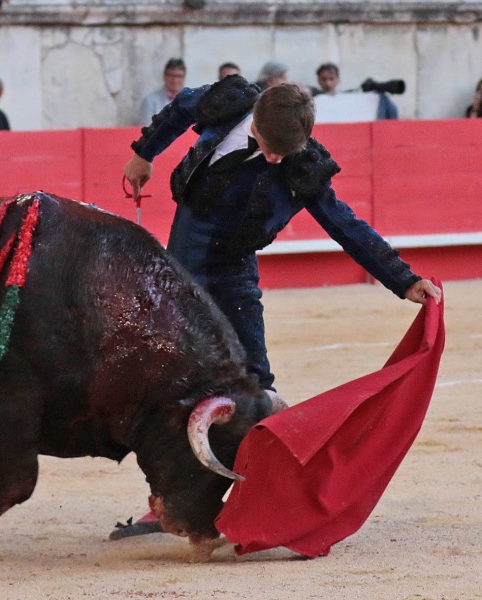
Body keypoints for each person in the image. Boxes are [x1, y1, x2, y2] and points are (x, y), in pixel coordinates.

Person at [112, 77, 441, 539]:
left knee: (255, 388)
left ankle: (250, 499)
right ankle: (166, 501)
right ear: (255, 122)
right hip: (181, 268)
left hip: (234, 273)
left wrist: (402, 279)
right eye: (269, 148)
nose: (274, 160)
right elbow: (181, 107)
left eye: (284, 154)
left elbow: (345, 226)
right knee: (169, 384)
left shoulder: (301, 164)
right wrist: (144, 153)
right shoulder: (229, 103)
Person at [314, 62, 399, 120]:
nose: (328, 83)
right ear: (318, 80)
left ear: (338, 79)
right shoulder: (315, 98)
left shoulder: (348, 97)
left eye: (331, 79)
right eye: (324, 79)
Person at [138, 58, 187, 125]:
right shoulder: (150, 101)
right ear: (164, 76)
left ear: (184, 78)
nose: (175, 80)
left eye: (179, 76)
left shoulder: (191, 101)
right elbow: (145, 129)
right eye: (171, 75)